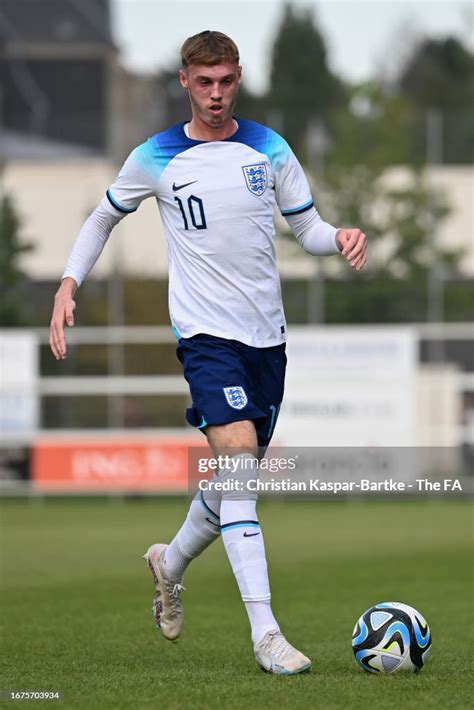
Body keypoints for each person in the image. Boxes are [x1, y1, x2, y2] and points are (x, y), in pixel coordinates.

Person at [49, 30, 367, 675]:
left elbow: (307, 230)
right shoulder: (156, 156)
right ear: (186, 82)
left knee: (230, 487)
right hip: (206, 339)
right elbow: (102, 217)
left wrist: (343, 237)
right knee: (243, 471)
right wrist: (68, 283)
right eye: (204, 83)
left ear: (238, 79)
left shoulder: (270, 148)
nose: (216, 95)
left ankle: (168, 564)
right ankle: (267, 635)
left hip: (268, 341)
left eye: (225, 82)